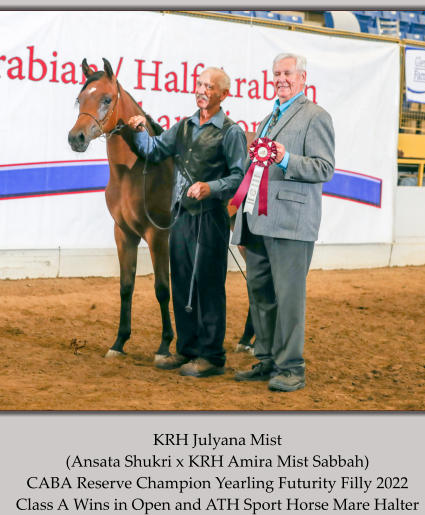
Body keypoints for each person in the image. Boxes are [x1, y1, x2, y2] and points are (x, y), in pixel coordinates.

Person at [128, 67, 247, 377]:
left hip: (210, 219)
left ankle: (211, 356)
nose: (202, 90)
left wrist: (211, 188)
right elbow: (153, 151)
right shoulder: (182, 127)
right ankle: (186, 350)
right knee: (181, 281)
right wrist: (141, 129)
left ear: (223, 94)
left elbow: (238, 177)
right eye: (199, 84)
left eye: (209, 86)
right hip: (181, 216)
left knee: (208, 285)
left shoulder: (231, 132)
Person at [231, 52, 335, 392]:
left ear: (303, 78)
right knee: (260, 293)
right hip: (258, 221)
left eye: (288, 73)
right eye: (277, 73)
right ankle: (266, 359)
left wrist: (285, 157)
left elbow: (324, 168)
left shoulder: (316, 117)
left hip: (292, 224)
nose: (281, 79)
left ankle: (291, 367)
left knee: (289, 298)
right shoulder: (267, 119)